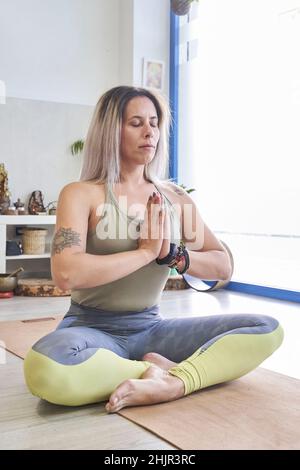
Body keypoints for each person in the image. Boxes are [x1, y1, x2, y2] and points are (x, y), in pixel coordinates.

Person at [24, 86, 284, 412]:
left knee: (267, 329)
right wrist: (145, 253)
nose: (149, 131)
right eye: (136, 123)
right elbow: (66, 273)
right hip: (89, 329)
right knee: (45, 367)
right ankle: (149, 371)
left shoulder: (175, 198)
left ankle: (174, 382)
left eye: (154, 122)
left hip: (153, 329)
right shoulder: (81, 194)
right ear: (110, 130)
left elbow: (222, 266)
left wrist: (173, 256)